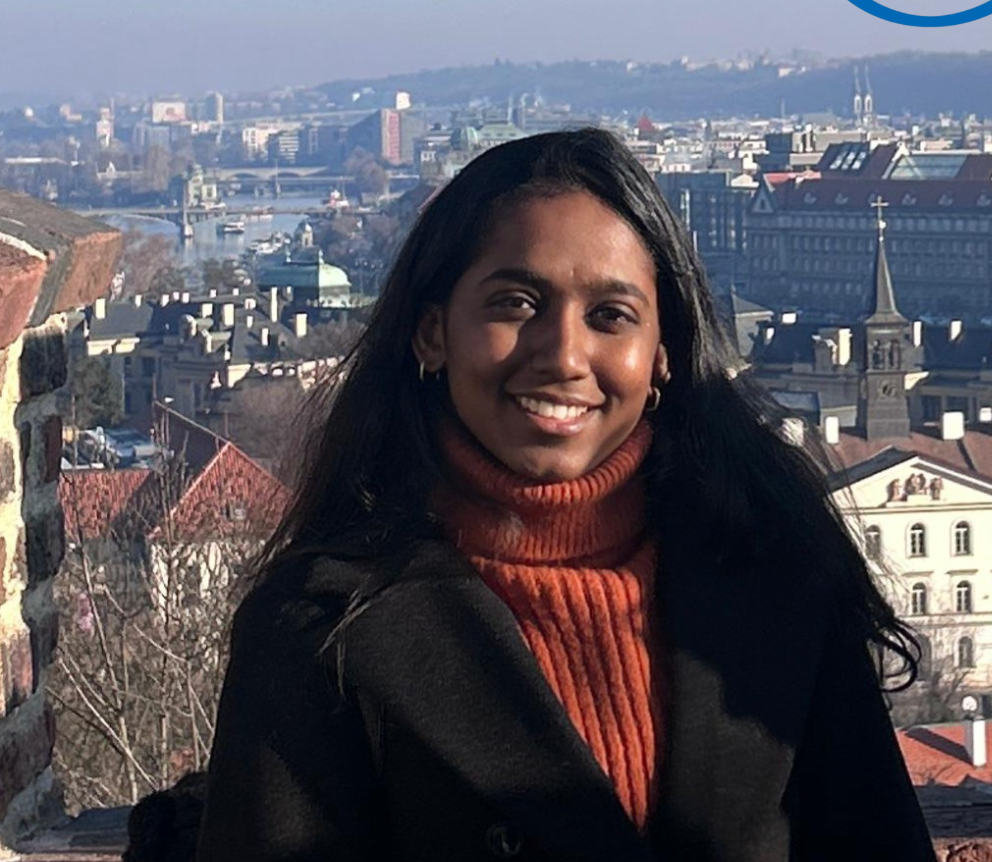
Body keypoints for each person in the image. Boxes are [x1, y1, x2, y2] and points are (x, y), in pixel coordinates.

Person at [196, 129, 936, 862]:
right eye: (517, 304)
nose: (564, 356)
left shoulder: (780, 578)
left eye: (610, 316)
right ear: (432, 333)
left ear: (663, 356)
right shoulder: (320, 626)